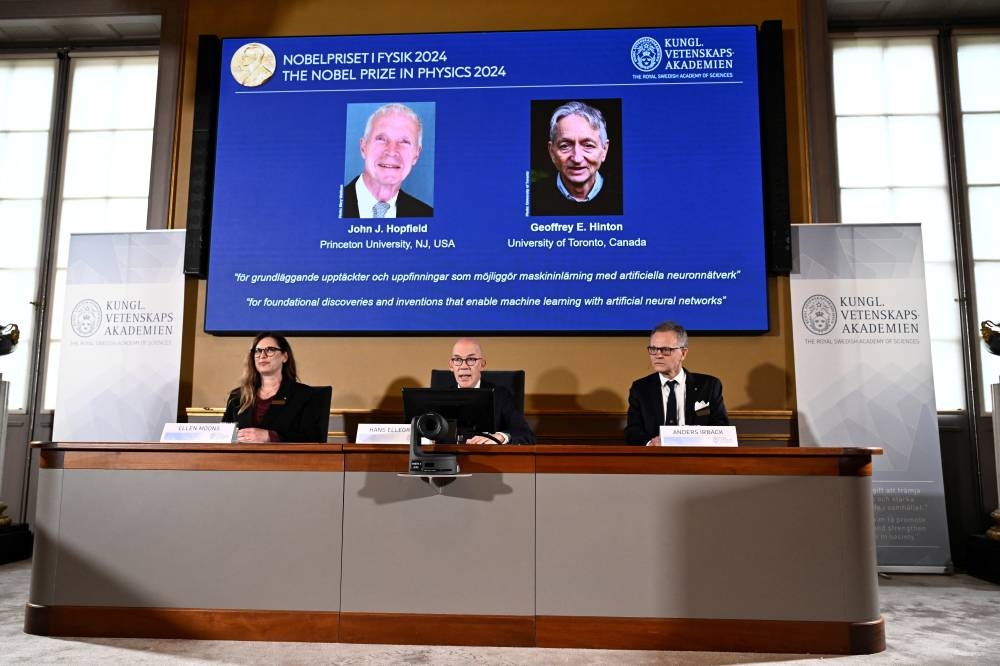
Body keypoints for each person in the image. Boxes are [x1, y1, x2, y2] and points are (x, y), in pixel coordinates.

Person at [624, 321, 729, 446]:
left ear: (683, 353)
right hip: (656, 458)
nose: (658, 355)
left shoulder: (709, 386)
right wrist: (650, 444)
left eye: (665, 349)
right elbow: (633, 431)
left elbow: (721, 427)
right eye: (653, 349)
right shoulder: (640, 388)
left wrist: (690, 440)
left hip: (696, 457)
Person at [222, 332, 329, 443]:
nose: (262, 356)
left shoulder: (304, 395)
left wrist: (269, 436)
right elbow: (222, 436)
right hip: (240, 459)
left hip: (286, 459)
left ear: (284, 356)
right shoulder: (237, 396)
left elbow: (313, 437)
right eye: (258, 351)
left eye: (270, 350)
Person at [530, 100, 622, 216]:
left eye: (588, 145)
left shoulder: (624, 196)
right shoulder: (532, 198)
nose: (577, 158)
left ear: (604, 150)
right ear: (552, 152)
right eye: (565, 146)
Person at [342, 102, 433, 218]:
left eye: (404, 141)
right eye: (381, 139)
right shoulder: (329, 206)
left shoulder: (426, 215)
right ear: (363, 147)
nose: (391, 151)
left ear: (416, 154)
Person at [446, 337, 535, 444]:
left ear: (482, 365)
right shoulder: (441, 397)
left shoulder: (500, 395)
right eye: (457, 360)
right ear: (451, 366)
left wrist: (501, 437)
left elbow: (526, 435)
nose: (464, 366)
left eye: (471, 360)